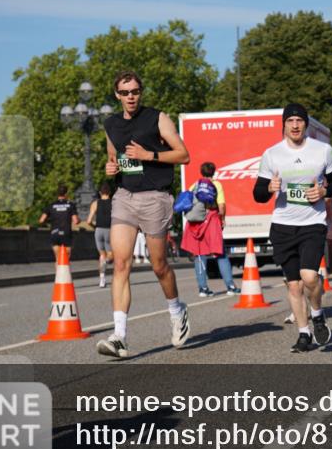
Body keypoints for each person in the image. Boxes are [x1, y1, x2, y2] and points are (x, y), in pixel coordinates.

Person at [97, 70, 191, 359]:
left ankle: (177, 311)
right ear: (117, 95)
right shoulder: (110, 124)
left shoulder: (157, 118)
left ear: (141, 92)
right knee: (121, 263)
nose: (130, 97)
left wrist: (149, 155)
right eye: (125, 93)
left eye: (135, 91)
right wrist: (110, 168)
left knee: (159, 265)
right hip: (125, 196)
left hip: (155, 197)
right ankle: (120, 337)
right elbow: (113, 158)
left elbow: (183, 155)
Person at [253, 103, 332, 353]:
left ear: (306, 124)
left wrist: (324, 191)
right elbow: (258, 194)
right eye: (290, 120)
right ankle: (304, 333)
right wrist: (268, 189)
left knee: (310, 277)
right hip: (283, 225)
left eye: (299, 121)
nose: (295, 125)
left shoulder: (323, 151)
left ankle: (318, 314)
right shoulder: (272, 154)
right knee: (293, 285)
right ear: (283, 124)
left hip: (312, 223)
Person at [181, 162, 240, 297]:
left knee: (200, 255)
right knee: (220, 253)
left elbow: (188, 204)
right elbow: (222, 206)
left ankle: (203, 289)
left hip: (196, 224)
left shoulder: (194, 185)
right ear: (214, 172)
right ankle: (230, 286)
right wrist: (222, 219)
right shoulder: (216, 185)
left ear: (201, 172)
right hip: (211, 220)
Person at [38, 184, 79, 263]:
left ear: (57, 194)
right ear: (66, 194)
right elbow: (75, 221)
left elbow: (41, 220)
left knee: (57, 258)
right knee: (66, 258)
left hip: (55, 232)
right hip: (66, 233)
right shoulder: (70, 205)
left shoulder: (51, 205)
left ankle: (58, 274)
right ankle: (65, 274)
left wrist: (52, 220)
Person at [85, 182, 114, 288]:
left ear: (100, 192)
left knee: (102, 255)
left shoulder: (95, 203)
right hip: (110, 230)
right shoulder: (113, 203)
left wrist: (95, 227)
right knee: (111, 255)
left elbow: (88, 221)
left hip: (98, 230)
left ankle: (102, 279)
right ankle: (107, 261)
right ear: (110, 193)